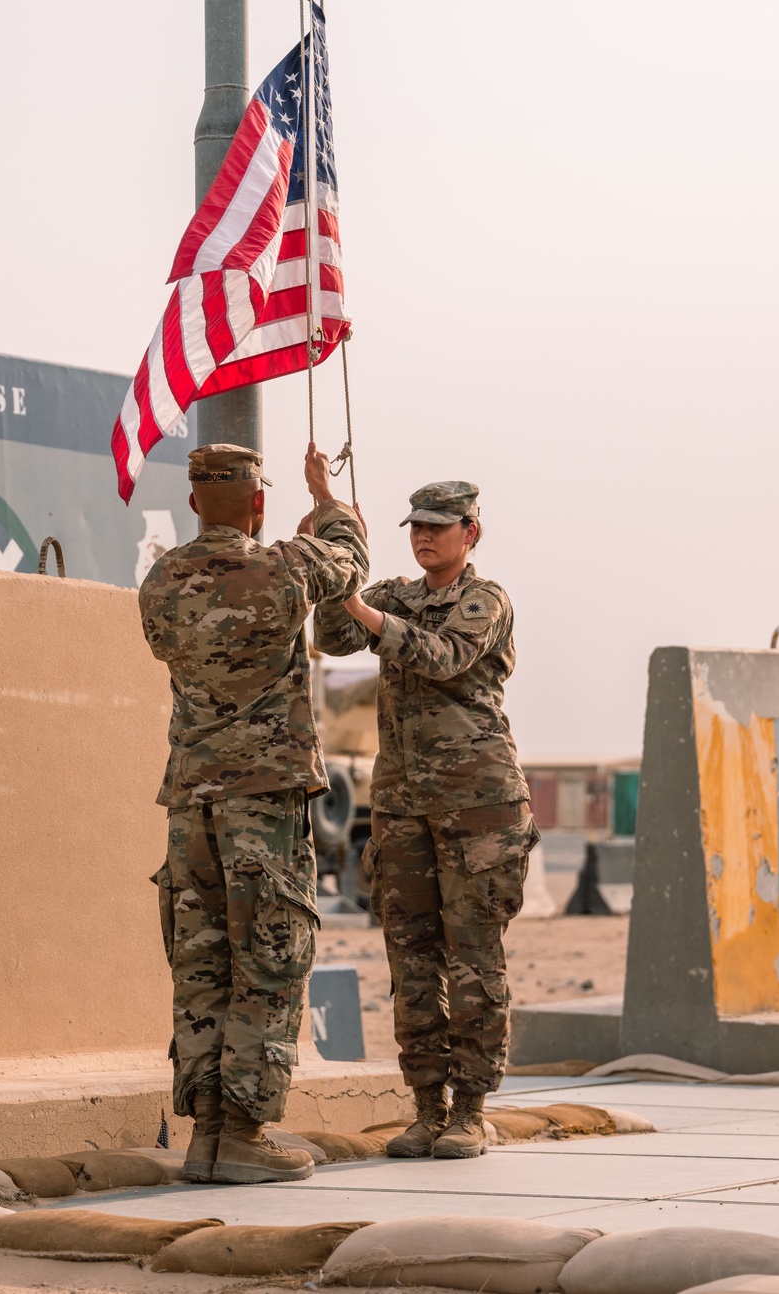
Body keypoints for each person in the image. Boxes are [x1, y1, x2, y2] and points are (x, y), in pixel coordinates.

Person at [139, 441, 368, 1186]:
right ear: (258, 504)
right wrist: (328, 501)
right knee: (269, 960)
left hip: (190, 802)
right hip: (262, 801)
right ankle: (242, 1133)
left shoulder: (161, 580)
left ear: (196, 500)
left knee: (201, 966)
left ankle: (205, 1135)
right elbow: (346, 557)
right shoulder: (281, 569)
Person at [313, 481, 538, 1159]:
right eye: (416, 525)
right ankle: (426, 1108)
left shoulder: (484, 599)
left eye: (439, 526)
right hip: (403, 803)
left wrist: (364, 610)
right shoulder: (392, 595)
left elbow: (443, 658)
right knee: (410, 963)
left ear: (471, 531)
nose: (423, 536)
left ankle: (470, 1110)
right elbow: (331, 634)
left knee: (473, 960)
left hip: (479, 807)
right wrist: (335, 542)